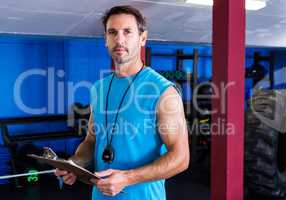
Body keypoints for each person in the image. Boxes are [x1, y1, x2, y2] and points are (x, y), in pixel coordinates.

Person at [55, 5, 189, 200]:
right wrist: (74, 164)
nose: (119, 39)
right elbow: (92, 140)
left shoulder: (163, 91)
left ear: (142, 38)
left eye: (127, 32)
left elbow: (181, 158)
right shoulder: (99, 88)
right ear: (105, 40)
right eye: (112, 32)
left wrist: (127, 178)